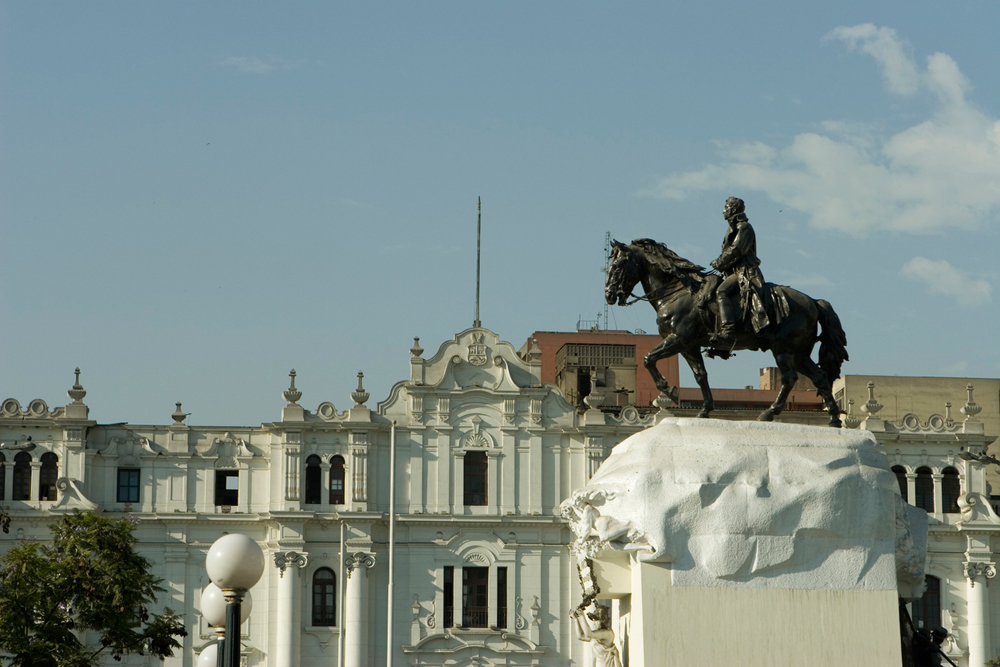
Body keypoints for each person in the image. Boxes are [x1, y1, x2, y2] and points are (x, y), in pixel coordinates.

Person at [708, 197, 773, 347]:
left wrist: (719, 262)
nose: (723, 211)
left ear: (732, 209)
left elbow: (736, 250)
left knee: (721, 291)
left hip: (745, 272)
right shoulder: (732, 228)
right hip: (733, 272)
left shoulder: (745, 227)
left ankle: (728, 332)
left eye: (726, 208)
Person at [570, 599, 623, 667]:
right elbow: (581, 636)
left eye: (595, 621)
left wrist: (581, 615)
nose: (594, 624)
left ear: (602, 620)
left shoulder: (608, 633)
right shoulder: (597, 637)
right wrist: (576, 618)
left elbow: (589, 633)